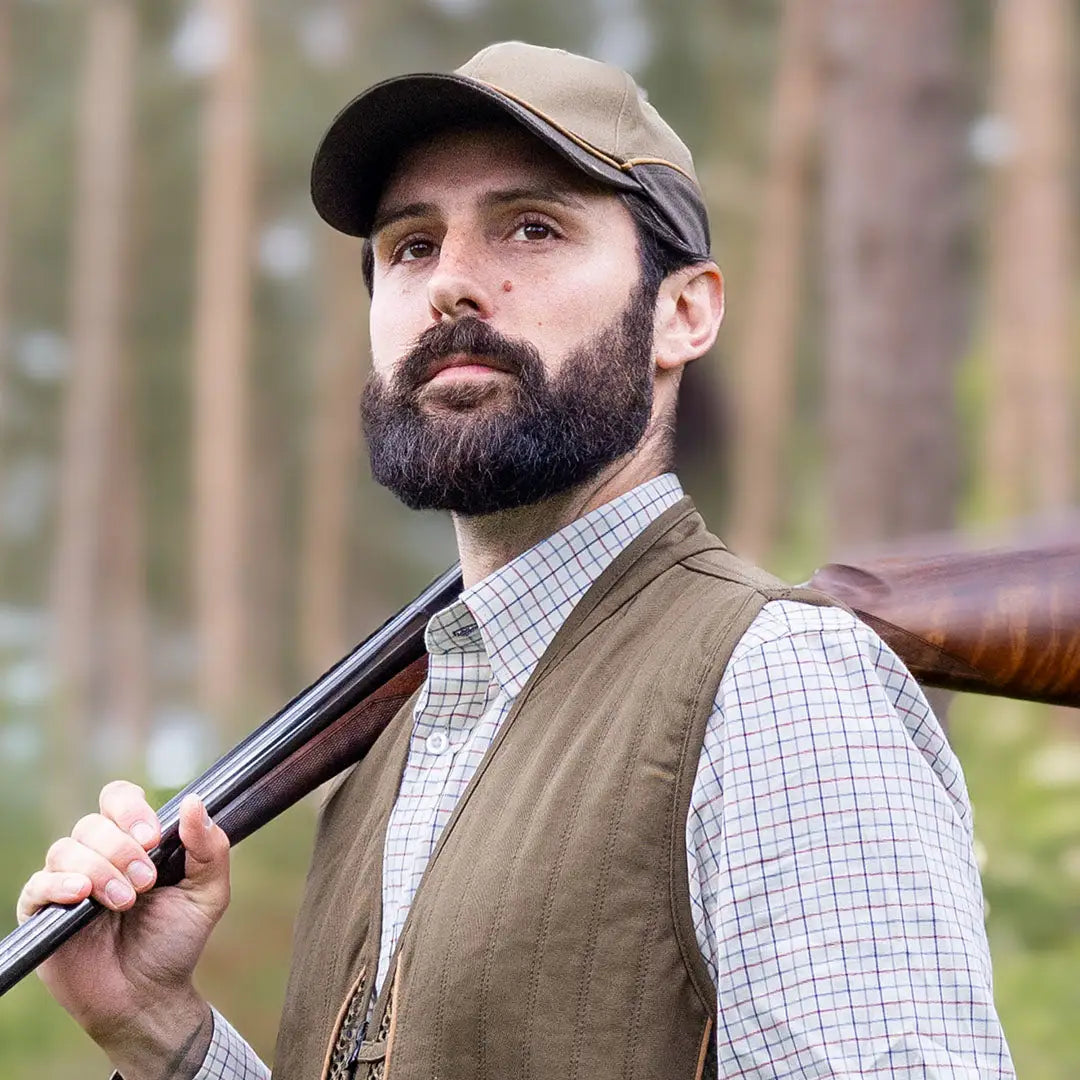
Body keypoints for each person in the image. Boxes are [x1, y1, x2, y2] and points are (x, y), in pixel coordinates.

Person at [19, 42, 1014, 1080]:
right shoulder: (384, 754)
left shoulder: (779, 683)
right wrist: (162, 1033)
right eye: (409, 247)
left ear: (685, 311)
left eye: (532, 229)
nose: (451, 282)